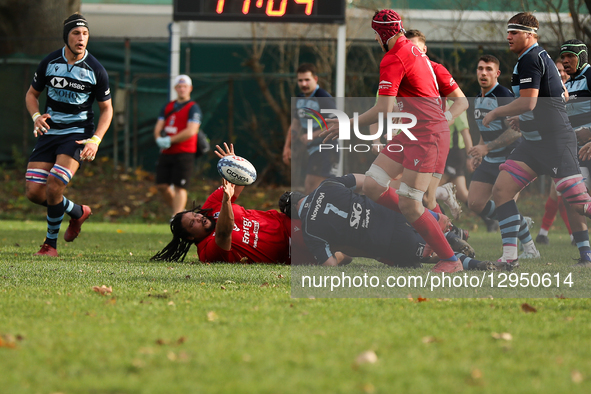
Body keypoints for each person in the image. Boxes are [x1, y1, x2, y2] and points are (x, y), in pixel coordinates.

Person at [323, 10, 462, 273]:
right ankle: (435, 219)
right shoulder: (412, 49)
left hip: (426, 134)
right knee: (374, 184)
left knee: (410, 203)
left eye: (375, 35)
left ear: (379, 35)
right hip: (411, 132)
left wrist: (346, 124)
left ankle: (451, 260)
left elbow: (382, 110)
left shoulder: (392, 58)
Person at [482, 13, 591, 266]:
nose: (508, 37)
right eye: (508, 32)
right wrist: (526, 120)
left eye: (515, 32)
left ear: (530, 34)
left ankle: (585, 253)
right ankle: (510, 258)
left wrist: (497, 112)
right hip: (532, 144)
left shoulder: (532, 57)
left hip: (554, 144)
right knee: (501, 190)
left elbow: (529, 102)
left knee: (579, 204)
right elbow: (558, 96)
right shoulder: (533, 57)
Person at [284, 174, 513, 271]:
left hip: (385, 241)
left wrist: (342, 253)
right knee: (422, 224)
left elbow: (330, 265)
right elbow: (365, 181)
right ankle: (452, 236)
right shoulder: (327, 186)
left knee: (427, 255)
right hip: (389, 211)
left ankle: (477, 264)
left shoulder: (309, 231)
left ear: (293, 215)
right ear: (300, 194)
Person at [24, 13, 113, 257]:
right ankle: (76, 211)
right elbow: (31, 95)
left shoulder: (96, 69)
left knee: (55, 183)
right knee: (34, 192)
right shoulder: (50, 62)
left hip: (77, 134)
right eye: (76, 33)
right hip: (50, 132)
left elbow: (107, 109)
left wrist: (95, 140)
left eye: (85, 34)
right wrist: (36, 117)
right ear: (66, 37)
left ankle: (50, 245)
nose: (81, 38)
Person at [152, 143, 314, 264]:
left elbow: (237, 186)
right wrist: (226, 201)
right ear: (190, 236)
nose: (199, 218)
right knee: (331, 239)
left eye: (195, 215)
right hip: (291, 247)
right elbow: (224, 232)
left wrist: (234, 167)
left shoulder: (209, 209)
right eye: (193, 223)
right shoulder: (207, 252)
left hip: (287, 219)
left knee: (304, 200)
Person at [467, 55, 521, 236]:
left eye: (489, 69)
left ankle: (528, 247)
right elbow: (485, 131)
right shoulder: (477, 98)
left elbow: (516, 131)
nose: (483, 73)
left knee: (505, 205)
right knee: (474, 203)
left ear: (497, 73)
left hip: (510, 158)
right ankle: (519, 221)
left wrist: (486, 148)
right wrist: (480, 152)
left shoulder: (504, 96)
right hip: (490, 159)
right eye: (480, 68)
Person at [282, 63, 338, 194]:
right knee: (317, 190)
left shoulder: (323, 97)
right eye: (300, 80)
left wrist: (313, 135)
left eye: (307, 80)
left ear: (315, 79)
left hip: (326, 149)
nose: (304, 84)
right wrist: (287, 146)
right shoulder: (300, 99)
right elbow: (295, 123)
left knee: (311, 188)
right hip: (312, 150)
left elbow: (336, 123)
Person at [153, 74, 202, 218]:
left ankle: (176, 217)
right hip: (166, 152)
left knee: (181, 187)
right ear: (175, 88)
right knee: (162, 185)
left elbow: (191, 130)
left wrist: (171, 139)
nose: (182, 89)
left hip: (184, 152)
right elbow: (158, 126)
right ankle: (180, 212)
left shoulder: (194, 108)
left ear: (190, 88)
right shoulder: (168, 106)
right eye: (179, 86)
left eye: (185, 86)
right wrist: (158, 139)